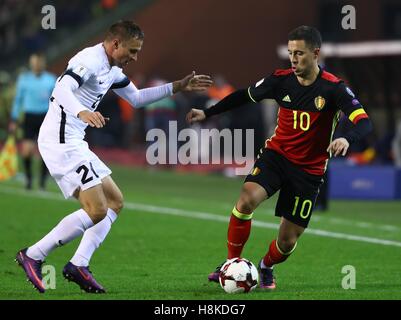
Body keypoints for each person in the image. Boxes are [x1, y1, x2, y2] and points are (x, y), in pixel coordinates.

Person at [15, 20, 212, 294]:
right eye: (132, 50)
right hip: (60, 142)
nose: (135, 57)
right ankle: (34, 255)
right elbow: (61, 89)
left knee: (115, 202)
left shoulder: (113, 68)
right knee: (96, 209)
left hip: (75, 142)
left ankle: (78, 264)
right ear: (115, 43)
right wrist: (81, 112)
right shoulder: (90, 60)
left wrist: (178, 86)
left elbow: (137, 98)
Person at [186, 25, 372, 290]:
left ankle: (266, 267)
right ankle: (231, 264)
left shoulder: (334, 89)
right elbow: (244, 95)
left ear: (316, 53)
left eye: (300, 54)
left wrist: (346, 139)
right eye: (290, 53)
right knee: (246, 199)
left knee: (287, 242)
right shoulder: (279, 80)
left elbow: (364, 123)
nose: (294, 59)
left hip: (309, 170)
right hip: (277, 156)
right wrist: (208, 113)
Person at [9, 53, 56, 190]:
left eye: (39, 62)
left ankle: (42, 182)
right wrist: (14, 119)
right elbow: (18, 100)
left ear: (43, 63)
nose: (36, 65)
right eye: (34, 62)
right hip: (29, 117)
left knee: (45, 152)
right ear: (31, 63)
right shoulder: (24, 79)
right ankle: (29, 180)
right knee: (27, 150)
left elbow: (56, 101)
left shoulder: (51, 79)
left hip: (45, 118)